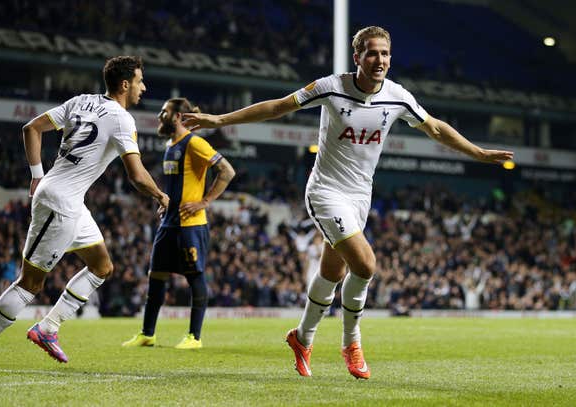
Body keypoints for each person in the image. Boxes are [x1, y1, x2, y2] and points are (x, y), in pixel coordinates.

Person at [182, 26, 513, 379]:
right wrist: (220, 119)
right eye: (372, 53)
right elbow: (279, 107)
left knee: (332, 272)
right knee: (366, 265)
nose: (380, 60)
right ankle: (351, 342)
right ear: (357, 57)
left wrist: (477, 152)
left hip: (360, 198)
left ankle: (302, 337)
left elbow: (434, 127)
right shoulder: (331, 87)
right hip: (325, 191)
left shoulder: (397, 96)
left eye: (385, 53)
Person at [0, 56, 170, 370]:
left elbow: (32, 128)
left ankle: (48, 328)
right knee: (30, 283)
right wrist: (161, 194)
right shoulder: (123, 119)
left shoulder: (81, 101)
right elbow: (137, 176)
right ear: (125, 84)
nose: (143, 87)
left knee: (102, 266)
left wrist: (37, 175)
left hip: (68, 200)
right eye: (140, 81)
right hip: (61, 203)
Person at [122, 97, 235, 350]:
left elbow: (227, 171)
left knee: (195, 277)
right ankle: (147, 334)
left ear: (176, 117)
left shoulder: (194, 143)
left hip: (191, 225)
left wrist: (205, 201)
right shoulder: (169, 145)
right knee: (156, 276)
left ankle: (194, 337)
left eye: (164, 111)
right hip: (169, 223)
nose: (159, 115)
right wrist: (165, 201)